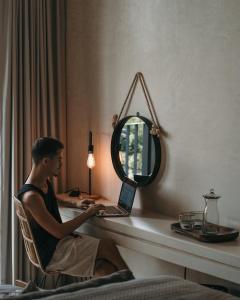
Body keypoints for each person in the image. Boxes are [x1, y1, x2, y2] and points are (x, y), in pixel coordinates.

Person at [18, 137, 131, 279]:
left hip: (57, 245)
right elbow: (59, 232)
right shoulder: (31, 197)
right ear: (46, 161)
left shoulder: (42, 182)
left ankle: (120, 292)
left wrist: (76, 204)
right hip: (52, 253)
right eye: (59, 158)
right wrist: (88, 213)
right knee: (107, 246)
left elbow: (52, 200)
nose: (61, 163)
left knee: (105, 268)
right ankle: (135, 286)